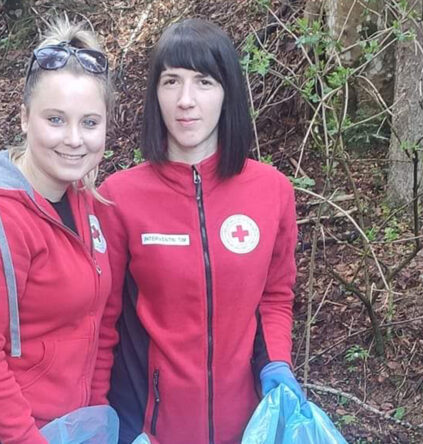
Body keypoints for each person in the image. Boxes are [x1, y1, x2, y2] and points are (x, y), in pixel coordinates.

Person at [91, 18, 305, 444]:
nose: (185, 100)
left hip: (249, 429)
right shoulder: (119, 198)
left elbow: (275, 296)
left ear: (227, 93)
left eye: (204, 82)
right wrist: (105, 421)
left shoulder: (272, 191)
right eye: (171, 81)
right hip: (151, 431)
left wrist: (277, 363)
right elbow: (102, 324)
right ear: (155, 94)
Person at [0, 18, 113, 444]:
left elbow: (98, 323)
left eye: (89, 122)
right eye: (55, 119)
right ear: (24, 118)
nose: (74, 139)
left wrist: (96, 417)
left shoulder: (85, 204)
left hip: (63, 428)